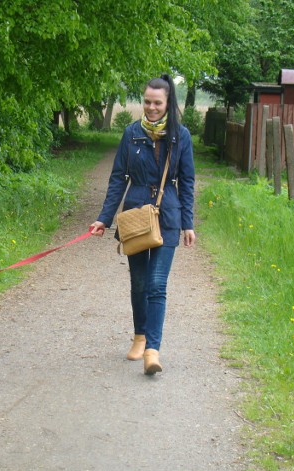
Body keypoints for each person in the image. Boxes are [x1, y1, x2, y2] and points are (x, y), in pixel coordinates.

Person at [90, 74, 196, 375]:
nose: (151, 107)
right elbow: (117, 178)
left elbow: (187, 182)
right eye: (147, 102)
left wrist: (188, 222)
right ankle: (139, 336)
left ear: (167, 103)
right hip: (135, 215)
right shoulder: (131, 134)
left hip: (168, 216)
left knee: (156, 284)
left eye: (157, 103)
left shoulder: (181, 136)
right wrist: (103, 218)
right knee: (138, 282)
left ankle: (152, 348)